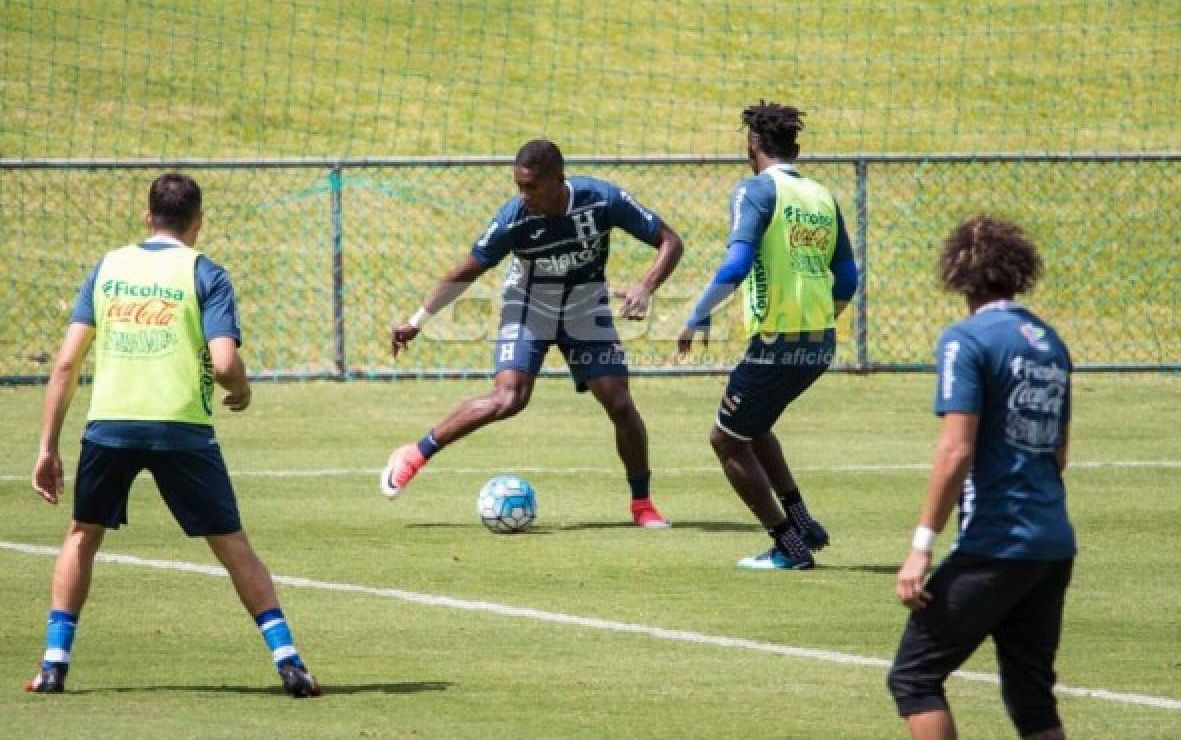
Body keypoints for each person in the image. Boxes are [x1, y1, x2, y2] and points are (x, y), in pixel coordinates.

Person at [25, 173, 319, 698]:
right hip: (182, 427)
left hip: (111, 425)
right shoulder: (205, 272)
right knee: (232, 546)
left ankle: (53, 664)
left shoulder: (108, 268)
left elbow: (67, 363)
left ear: (147, 217)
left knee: (81, 536)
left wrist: (47, 447)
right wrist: (243, 388)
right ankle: (289, 661)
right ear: (198, 222)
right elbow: (225, 362)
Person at [384, 139, 684, 528]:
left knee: (620, 405)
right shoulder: (514, 219)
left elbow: (670, 241)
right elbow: (465, 272)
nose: (523, 196)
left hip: (583, 308)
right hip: (528, 307)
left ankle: (642, 504)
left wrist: (646, 287)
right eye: (518, 186)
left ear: (559, 180)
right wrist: (417, 321)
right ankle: (414, 453)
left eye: (531, 187)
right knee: (509, 398)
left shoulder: (601, 199)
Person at [887, 216, 1075, 740]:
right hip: (1052, 545)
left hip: (996, 542)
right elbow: (1057, 454)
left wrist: (922, 545)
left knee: (915, 677)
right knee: (1031, 697)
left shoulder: (965, 341)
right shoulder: (1049, 343)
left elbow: (956, 450)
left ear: (960, 274)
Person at [678, 102, 858, 570]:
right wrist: (820, 317)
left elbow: (737, 264)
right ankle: (802, 522)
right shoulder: (822, 196)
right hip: (819, 342)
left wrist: (699, 314)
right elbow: (848, 279)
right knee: (752, 427)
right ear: (795, 148)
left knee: (726, 440)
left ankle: (789, 546)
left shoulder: (754, 191)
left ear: (752, 145)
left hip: (779, 342)